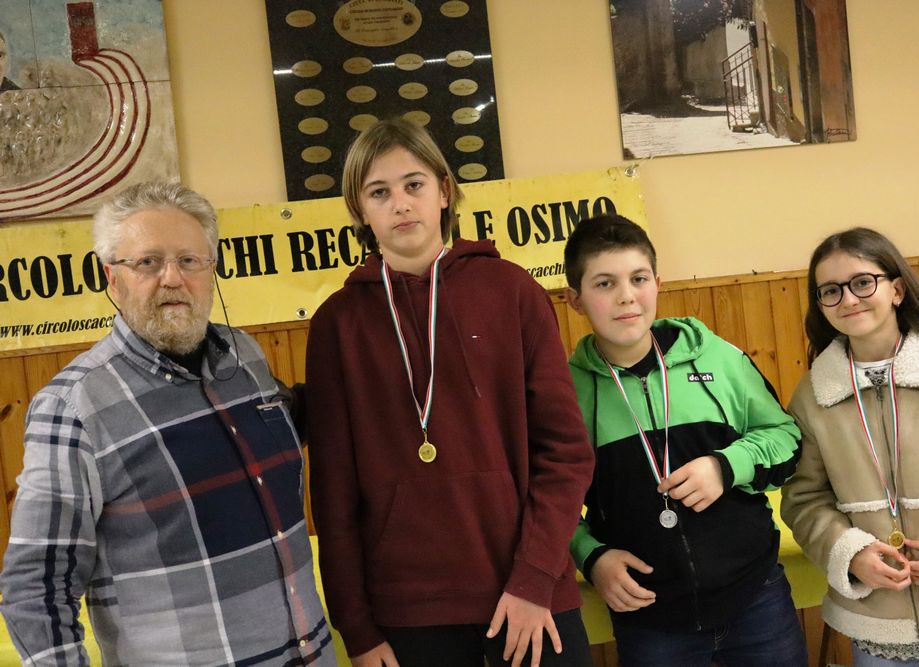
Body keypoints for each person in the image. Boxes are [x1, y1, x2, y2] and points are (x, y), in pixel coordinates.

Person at [0, 182, 336, 665]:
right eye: (148, 262)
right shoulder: (72, 407)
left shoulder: (245, 355)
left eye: (189, 260)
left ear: (211, 269)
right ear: (112, 278)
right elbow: (36, 590)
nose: (172, 278)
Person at [305, 118, 595, 667]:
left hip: (530, 597)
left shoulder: (513, 291)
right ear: (359, 211)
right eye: (378, 192)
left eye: (413, 184)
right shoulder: (336, 325)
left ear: (444, 191)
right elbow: (333, 493)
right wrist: (357, 629)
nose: (400, 204)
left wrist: (535, 576)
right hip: (409, 613)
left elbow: (565, 453)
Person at [564, 214, 807, 666]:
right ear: (575, 299)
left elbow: (787, 438)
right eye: (604, 284)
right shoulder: (565, 394)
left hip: (756, 601)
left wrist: (726, 466)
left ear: (657, 284)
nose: (626, 296)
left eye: (639, 279)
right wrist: (591, 557)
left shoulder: (720, 359)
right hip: (650, 620)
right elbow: (542, 499)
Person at [781, 227, 919, 665]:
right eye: (831, 291)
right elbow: (804, 500)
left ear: (897, 289)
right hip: (876, 619)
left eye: (863, 282)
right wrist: (851, 553)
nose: (848, 299)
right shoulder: (812, 395)